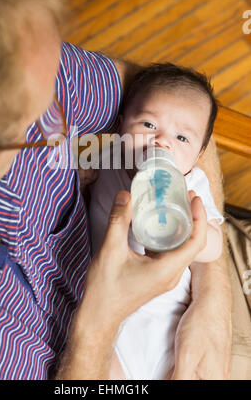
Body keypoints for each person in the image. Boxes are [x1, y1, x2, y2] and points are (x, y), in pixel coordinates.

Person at [0, 0, 231, 380]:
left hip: (173, 328)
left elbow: (170, 102)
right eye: (36, 117)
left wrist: (212, 298)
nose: (57, 126)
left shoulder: (20, 57)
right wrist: (97, 330)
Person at [89, 64, 224, 379]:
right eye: (148, 124)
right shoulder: (109, 156)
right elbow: (62, 156)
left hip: (167, 327)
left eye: (181, 137)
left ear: (200, 152)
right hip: (111, 317)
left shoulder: (193, 184)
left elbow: (215, 245)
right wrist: (82, 173)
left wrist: (192, 231)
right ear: (121, 125)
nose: (162, 142)